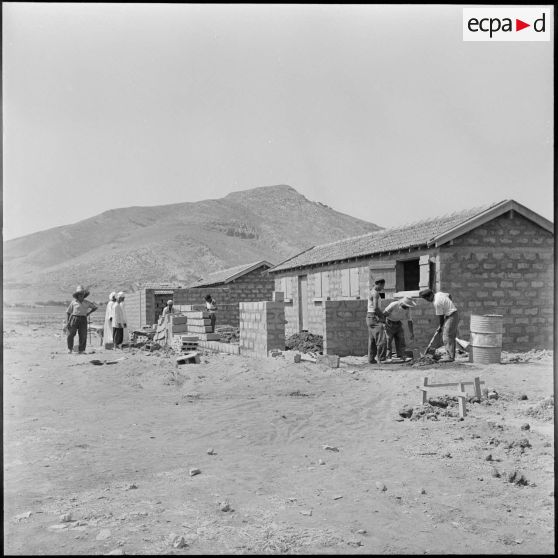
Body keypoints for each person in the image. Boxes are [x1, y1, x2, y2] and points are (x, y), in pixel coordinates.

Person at [419, 288, 459, 362]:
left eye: (427, 299)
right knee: (450, 336)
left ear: (430, 295)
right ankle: (451, 356)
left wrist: (440, 327)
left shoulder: (436, 302)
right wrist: (448, 306)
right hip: (452, 314)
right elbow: (449, 295)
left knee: (446, 336)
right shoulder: (439, 294)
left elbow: (441, 317)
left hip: (451, 316)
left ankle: (450, 357)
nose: (428, 300)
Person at [66, 285, 98, 354]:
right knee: (70, 334)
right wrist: (67, 322)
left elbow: (95, 307)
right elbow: (68, 312)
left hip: (83, 319)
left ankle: (82, 350)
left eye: (83, 294)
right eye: (80, 294)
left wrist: (89, 313)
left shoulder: (87, 302)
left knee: (83, 335)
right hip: (74, 318)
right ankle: (70, 349)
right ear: (77, 295)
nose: (81, 296)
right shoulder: (73, 302)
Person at [383, 296, 416, 362]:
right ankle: (388, 357)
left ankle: (402, 356)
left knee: (401, 339)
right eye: (406, 306)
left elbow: (410, 321)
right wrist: (384, 324)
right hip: (389, 323)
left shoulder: (408, 309)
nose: (407, 307)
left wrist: (411, 332)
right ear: (402, 303)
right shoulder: (394, 304)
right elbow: (384, 313)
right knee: (388, 340)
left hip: (398, 323)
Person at [366, 278, 388, 364]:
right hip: (374, 317)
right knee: (381, 339)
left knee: (372, 340)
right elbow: (375, 308)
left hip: (369, 317)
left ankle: (371, 359)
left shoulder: (371, 291)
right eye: (382, 285)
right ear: (379, 284)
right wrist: (382, 317)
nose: (383, 287)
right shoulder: (375, 294)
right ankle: (381, 359)